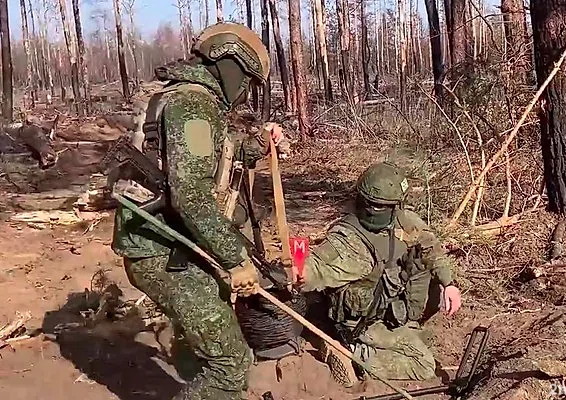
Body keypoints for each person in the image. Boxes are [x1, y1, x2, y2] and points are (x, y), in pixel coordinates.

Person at [110, 22, 283, 400]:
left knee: (215, 327)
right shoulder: (194, 105)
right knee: (231, 365)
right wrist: (237, 260)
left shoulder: (184, 95)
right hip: (160, 249)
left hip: (165, 240)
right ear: (229, 64)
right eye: (249, 81)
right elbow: (191, 197)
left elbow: (203, 155)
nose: (247, 92)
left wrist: (258, 144)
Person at [297, 161, 462, 386]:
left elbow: (431, 248)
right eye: (372, 204)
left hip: (388, 308)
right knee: (423, 365)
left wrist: (449, 283)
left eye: (380, 205)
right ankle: (352, 353)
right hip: (362, 323)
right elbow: (311, 270)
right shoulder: (348, 239)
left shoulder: (405, 221)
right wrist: (295, 272)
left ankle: (400, 331)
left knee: (429, 278)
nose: (375, 209)